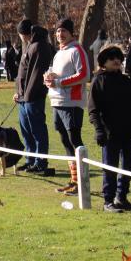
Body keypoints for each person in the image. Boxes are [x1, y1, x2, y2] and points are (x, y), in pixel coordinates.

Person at [88, 46, 131, 213]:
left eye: (118, 58)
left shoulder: (127, 81)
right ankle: (108, 200)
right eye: (111, 58)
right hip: (109, 133)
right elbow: (93, 110)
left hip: (127, 131)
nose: (116, 61)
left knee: (129, 165)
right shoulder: (98, 81)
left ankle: (121, 197)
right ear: (103, 62)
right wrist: (99, 130)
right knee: (110, 167)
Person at [44, 19, 90, 194]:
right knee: (65, 141)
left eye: (63, 31)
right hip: (56, 101)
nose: (60, 34)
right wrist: (48, 77)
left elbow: (84, 75)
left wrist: (59, 82)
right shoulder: (58, 53)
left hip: (72, 102)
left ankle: (81, 183)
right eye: (57, 31)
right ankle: (74, 180)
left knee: (74, 140)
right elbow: (56, 75)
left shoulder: (77, 50)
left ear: (71, 33)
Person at [13, 21, 55, 175]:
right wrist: (18, 92)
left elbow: (36, 75)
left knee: (37, 130)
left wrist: (27, 95)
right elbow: (22, 73)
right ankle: (30, 159)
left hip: (33, 97)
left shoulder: (39, 46)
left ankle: (40, 162)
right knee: (26, 131)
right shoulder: (29, 45)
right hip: (24, 97)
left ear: (23, 33)